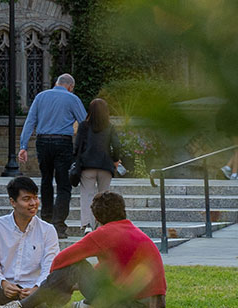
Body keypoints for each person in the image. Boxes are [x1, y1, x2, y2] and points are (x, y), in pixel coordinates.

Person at [22, 191, 165, 308]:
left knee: (76, 267)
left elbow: (60, 260)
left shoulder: (104, 233)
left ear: (96, 218)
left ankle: (23, 306)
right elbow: (108, 270)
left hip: (131, 303)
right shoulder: (133, 231)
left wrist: (61, 281)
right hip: (155, 303)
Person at [0, 177, 59, 306]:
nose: (33, 203)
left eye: (35, 197)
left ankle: (17, 304)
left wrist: (36, 289)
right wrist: (3, 283)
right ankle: (23, 304)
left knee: (55, 289)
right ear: (13, 202)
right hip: (3, 289)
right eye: (26, 199)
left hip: (34, 291)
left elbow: (49, 267)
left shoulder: (48, 230)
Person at [21, 74, 88, 236]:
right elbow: (85, 123)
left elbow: (30, 121)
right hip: (63, 143)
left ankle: (45, 220)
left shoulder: (40, 97)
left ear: (56, 83)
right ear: (70, 86)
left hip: (42, 142)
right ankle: (58, 226)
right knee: (64, 185)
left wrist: (23, 146)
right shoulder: (72, 99)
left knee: (46, 181)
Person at [74, 98, 120, 231]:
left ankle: (88, 225)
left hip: (87, 166)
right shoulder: (110, 127)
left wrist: (77, 160)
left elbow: (77, 146)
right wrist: (115, 160)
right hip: (105, 165)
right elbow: (117, 145)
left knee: (87, 195)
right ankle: (103, 224)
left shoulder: (83, 126)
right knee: (104, 197)